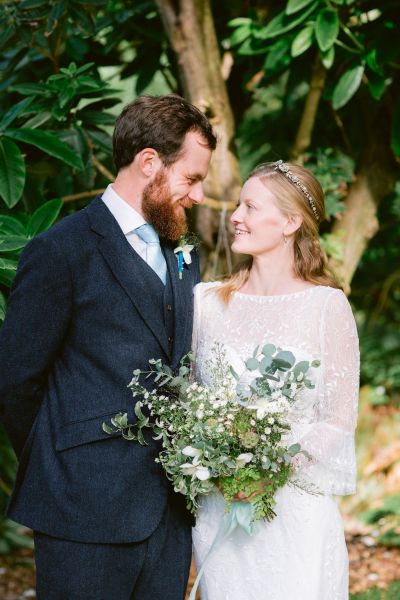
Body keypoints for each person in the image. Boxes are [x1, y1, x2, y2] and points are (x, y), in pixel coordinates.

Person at [0, 94, 216, 600]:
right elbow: (15, 380)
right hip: (80, 511)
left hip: (168, 514)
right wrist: (64, 464)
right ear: (148, 163)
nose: (199, 196)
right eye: (192, 178)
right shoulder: (60, 250)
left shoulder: (181, 251)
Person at [191, 160, 359, 599]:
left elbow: (339, 417)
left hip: (295, 511)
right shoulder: (206, 302)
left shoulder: (327, 307)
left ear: (289, 222)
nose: (235, 217)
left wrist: (273, 469)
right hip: (220, 506)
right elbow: (189, 397)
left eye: (250, 206)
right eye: (237, 205)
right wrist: (221, 463)